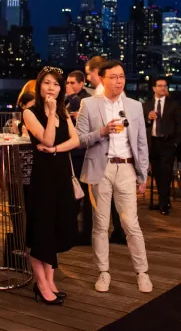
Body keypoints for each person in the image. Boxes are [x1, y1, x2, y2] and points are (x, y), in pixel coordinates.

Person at [76, 60, 153, 294]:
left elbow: (141, 142)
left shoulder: (134, 106)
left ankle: (142, 273)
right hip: (101, 168)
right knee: (100, 223)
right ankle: (103, 272)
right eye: (113, 77)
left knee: (131, 223)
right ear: (102, 79)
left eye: (121, 76)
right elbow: (80, 139)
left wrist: (143, 174)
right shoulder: (88, 104)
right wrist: (102, 132)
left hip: (127, 169)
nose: (119, 81)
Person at [23, 67, 80, 305]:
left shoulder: (64, 113)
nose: (51, 88)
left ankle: (50, 280)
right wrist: (49, 113)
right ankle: (41, 284)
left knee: (56, 226)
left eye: (56, 84)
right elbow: (45, 139)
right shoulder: (30, 112)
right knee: (41, 229)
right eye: (46, 83)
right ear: (39, 86)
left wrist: (56, 149)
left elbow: (75, 141)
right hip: (41, 177)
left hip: (61, 175)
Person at [84, 56, 126, 244]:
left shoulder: (101, 93)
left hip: (106, 154)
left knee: (103, 204)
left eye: (88, 74)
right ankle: (119, 232)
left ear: (97, 73)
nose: (88, 79)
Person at [143, 76, 181, 215]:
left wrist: (175, 142)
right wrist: (148, 119)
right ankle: (163, 201)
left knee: (166, 173)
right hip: (153, 142)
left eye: (164, 86)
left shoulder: (173, 104)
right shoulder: (147, 104)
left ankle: (164, 203)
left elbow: (179, 125)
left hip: (167, 143)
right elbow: (142, 124)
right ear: (154, 88)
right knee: (157, 172)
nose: (162, 88)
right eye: (159, 85)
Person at [66, 70, 93, 243]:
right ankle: (74, 231)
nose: (69, 86)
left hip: (81, 152)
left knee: (82, 194)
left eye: (73, 83)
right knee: (74, 194)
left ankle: (84, 234)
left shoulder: (83, 100)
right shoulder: (68, 99)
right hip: (72, 152)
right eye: (67, 83)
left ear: (81, 83)